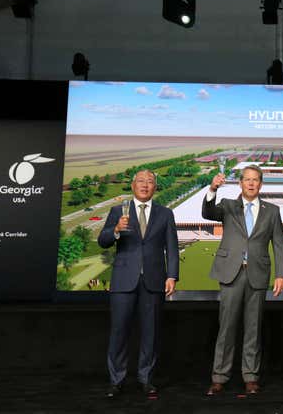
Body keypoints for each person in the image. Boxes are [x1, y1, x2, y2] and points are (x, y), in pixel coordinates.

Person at [203, 165, 283, 395]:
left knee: (253, 329)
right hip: (231, 272)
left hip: (257, 274)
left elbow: (279, 244)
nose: (251, 183)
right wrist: (212, 188)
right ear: (240, 183)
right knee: (226, 328)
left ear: (260, 184)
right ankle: (219, 377)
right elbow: (208, 213)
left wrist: (281, 274)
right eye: (247, 180)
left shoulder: (272, 211)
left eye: (255, 180)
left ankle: (250, 376)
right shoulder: (228, 206)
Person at [98, 169, 179, 400]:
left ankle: (146, 379)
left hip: (154, 281)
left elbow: (172, 248)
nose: (145, 185)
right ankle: (116, 381)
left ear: (155, 187)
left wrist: (172, 275)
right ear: (133, 185)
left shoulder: (165, 214)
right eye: (141, 181)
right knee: (118, 332)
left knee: (150, 333)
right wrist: (114, 230)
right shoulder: (118, 211)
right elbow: (103, 241)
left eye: (150, 182)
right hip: (124, 281)